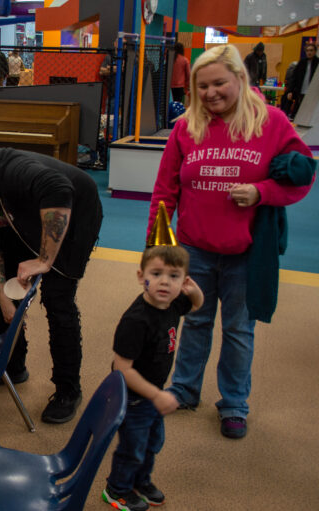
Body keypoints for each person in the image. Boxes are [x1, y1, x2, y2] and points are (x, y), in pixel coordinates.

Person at [148, 44, 314, 440]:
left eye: (219, 83)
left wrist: (262, 193)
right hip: (194, 249)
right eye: (201, 86)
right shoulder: (186, 126)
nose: (210, 93)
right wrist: (157, 247)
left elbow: (303, 175)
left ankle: (234, 403)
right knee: (196, 321)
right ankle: (185, 390)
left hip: (245, 253)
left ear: (240, 79)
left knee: (239, 330)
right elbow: (164, 190)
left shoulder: (271, 122)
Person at [0, 137, 103, 424]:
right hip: (21, 218)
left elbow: (59, 189)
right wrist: (2, 296)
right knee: (5, 292)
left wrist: (45, 260)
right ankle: (13, 366)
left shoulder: (15, 168)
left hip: (73, 215)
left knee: (57, 300)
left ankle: (68, 390)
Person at [102, 230, 203, 511]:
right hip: (134, 396)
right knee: (132, 448)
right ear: (140, 276)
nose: (164, 282)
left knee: (152, 443)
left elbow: (196, 305)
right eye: (156, 273)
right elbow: (123, 369)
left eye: (174, 276)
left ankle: (140, 482)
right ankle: (117, 488)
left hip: (154, 392)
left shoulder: (171, 303)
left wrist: (195, 292)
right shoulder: (136, 321)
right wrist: (156, 396)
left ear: (183, 280)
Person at [285, 42, 318, 120]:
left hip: (313, 92)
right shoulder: (301, 63)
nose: (309, 52)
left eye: (311, 50)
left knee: (310, 112)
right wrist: (290, 91)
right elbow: (294, 78)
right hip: (301, 91)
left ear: (315, 51)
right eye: (307, 50)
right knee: (298, 110)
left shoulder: (317, 63)